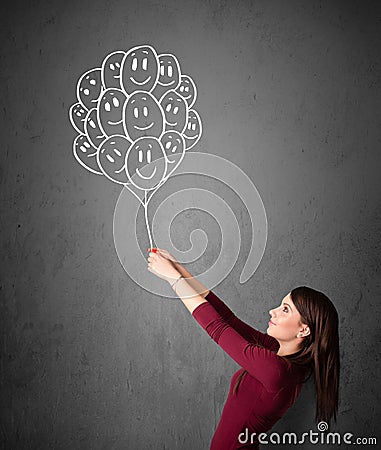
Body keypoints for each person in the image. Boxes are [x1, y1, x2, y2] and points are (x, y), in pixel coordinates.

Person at [147, 248, 340, 450]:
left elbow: (217, 328)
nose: (272, 312)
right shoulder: (277, 353)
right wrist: (178, 269)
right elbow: (227, 319)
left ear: (304, 330)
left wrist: (174, 280)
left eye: (285, 309)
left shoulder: (277, 370)